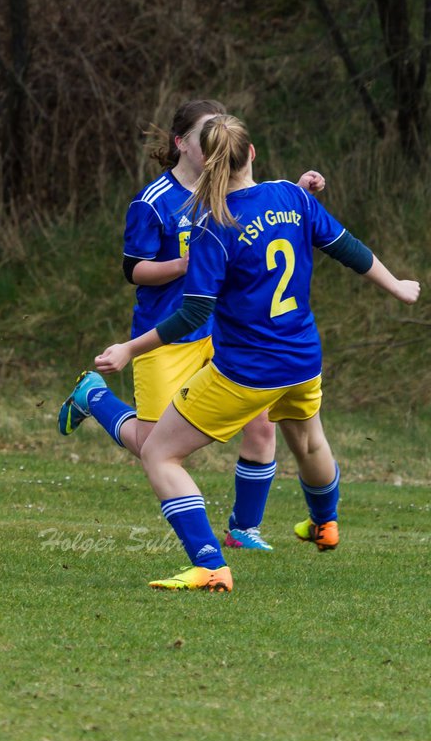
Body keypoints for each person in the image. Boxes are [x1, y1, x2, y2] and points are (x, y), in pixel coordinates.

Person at [90, 114, 419, 591]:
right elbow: (347, 248)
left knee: (160, 453)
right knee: (308, 443)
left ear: (205, 163)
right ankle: (324, 523)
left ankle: (209, 564)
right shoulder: (293, 195)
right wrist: (397, 287)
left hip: (245, 372)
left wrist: (128, 348)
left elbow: (190, 315)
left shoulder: (212, 223)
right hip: (303, 359)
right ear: (253, 154)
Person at [58, 99, 326, 553]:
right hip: (164, 335)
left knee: (261, 426)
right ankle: (94, 397)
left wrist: (299, 190)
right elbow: (135, 269)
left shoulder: (226, 191)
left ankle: (244, 528)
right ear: (183, 144)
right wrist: (185, 265)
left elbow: (264, 214)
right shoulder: (152, 202)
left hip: (223, 335)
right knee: (151, 448)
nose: (215, 145)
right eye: (207, 136)